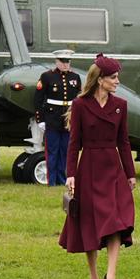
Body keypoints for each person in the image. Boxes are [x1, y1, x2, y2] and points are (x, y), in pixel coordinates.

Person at [59, 54, 137, 279]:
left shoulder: (120, 105)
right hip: (89, 168)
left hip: (113, 168)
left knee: (116, 221)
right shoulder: (81, 105)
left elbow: (123, 142)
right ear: (100, 79)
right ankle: (94, 277)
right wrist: (70, 174)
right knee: (89, 223)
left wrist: (130, 173)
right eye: (113, 77)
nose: (117, 81)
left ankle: (111, 276)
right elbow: (74, 143)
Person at [35, 49, 80, 187]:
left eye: (68, 61)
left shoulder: (75, 77)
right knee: (53, 150)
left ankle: (62, 179)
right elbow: (38, 99)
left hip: (69, 118)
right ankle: (52, 180)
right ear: (57, 61)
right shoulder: (47, 76)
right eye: (63, 61)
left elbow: (79, 99)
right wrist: (40, 119)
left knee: (65, 150)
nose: (66, 64)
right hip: (52, 117)